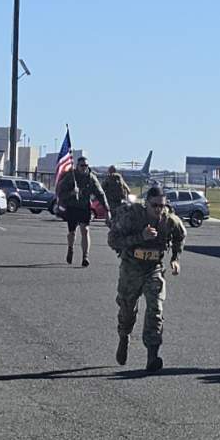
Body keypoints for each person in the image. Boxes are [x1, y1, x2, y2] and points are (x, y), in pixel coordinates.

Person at [107, 184, 186, 372]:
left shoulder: (169, 221)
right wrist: (140, 237)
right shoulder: (132, 217)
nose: (158, 210)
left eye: (162, 206)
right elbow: (113, 240)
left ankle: (152, 355)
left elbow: (180, 236)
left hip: (154, 269)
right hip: (131, 267)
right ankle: (124, 336)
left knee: (155, 309)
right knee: (127, 310)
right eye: (154, 206)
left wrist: (175, 258)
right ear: (147, 204)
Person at [56, 156, 107, 267]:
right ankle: (70, 248)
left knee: (85, 230)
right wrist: (71, 193)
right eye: (82, 165)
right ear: (77, 166)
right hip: (72, 207)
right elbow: (60, 193)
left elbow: (100, 193)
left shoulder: (91, 178)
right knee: (72, 232)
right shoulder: (71, 176)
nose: (84, 167)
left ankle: (85, 257)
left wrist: (107, 209)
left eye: (86, 165)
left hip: (84, 207)